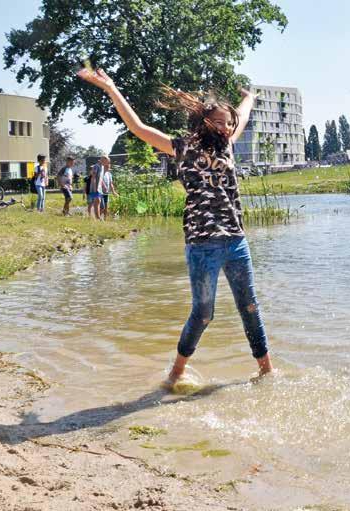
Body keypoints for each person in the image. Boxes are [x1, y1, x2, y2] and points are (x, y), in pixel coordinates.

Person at [78, 67, 273, 385]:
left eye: (228, 123)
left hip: (236, 241)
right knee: (204, 314)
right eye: (219, 122)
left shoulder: (228, 147)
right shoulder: (181, 147)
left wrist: (249, 98)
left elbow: (242, 115)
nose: (226, 127)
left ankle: (267, 372)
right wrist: (111, 88)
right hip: (201, 245)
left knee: (249, 306)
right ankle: (176, 373)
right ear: (203, 121)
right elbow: (138, 127)